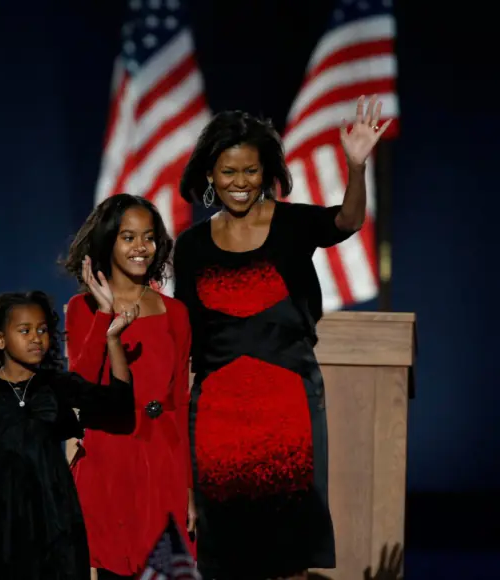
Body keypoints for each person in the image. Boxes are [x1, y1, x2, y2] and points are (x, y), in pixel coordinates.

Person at [172, 95, 391, 580]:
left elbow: (348, 221)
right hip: (217, 416)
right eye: (228, 172)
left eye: (251, 171)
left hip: (288, 408)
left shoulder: (292, 224)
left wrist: (356, 167)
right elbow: (186, 338)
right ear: (210, 175)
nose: (240, 183)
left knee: (287, 554)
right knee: (225, 555)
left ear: (266, 171)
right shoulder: (189, 248)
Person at [0, 290, 138, 580]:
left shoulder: (57, 384)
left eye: (42, 330)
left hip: (50, 512)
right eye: (25, 330)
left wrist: (113, 340)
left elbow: (119, 405)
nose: (36, 337)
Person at [62, 194, 195, 579]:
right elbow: (81, 386)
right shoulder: (81, 308)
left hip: (164, 461)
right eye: (128, 237)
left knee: (168, 570)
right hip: (110, 459)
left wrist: (188, 488)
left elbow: (180, 401)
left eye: (149, 237)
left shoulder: (176, 313)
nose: (141, 247)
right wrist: (105, 314)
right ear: (108, 242)